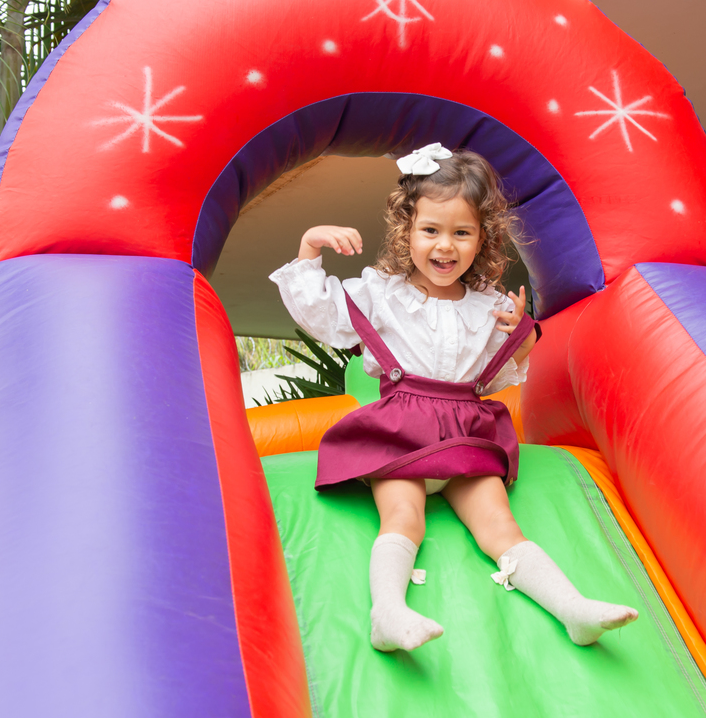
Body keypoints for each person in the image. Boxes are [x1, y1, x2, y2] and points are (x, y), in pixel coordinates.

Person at [270, 143, 639, 653]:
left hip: (467, 435)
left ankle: (572, 608)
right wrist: (310, 246)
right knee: (404, 517)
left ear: (482, 237)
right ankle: (388, 613)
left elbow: (492, 377)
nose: (445, 246)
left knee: (500, 525)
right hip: (401, 436)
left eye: (462, 233)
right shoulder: (384, 295)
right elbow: (322, 311)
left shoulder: (488, 305)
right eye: (431, 230)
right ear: (406, 229)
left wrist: (520, 339)